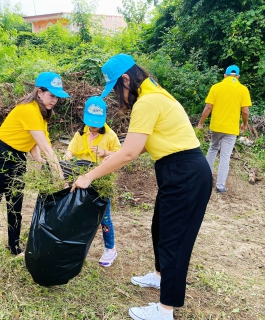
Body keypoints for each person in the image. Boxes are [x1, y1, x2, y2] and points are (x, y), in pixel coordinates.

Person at [70, 54, 212, 320]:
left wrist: (89, 176)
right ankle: (160, 277)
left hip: (185, 173)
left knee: (174, 241)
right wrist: (111, 155)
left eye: (115, 89)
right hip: (177, 172)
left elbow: (129, 153)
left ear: (126, 79)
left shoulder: (148, 101)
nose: (116, 96)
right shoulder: (154, 94)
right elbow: (143, 143)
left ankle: (165, 310)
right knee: (159, 228)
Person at [0, 72, 69, 272]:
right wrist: (59, 176)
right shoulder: (28, 110)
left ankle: (14, 245)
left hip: (18, 157)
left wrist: (37, 158)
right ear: (39, 92)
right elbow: (46, 146)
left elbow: (35, 140)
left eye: (57, 96)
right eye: (51, 95)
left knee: (15, 203)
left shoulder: (42, 113)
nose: (55, 100)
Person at [64, 96, 121, 267]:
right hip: (82, 180)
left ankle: (110, 249)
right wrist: (65, 159)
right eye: (91, 122)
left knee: (104, 216)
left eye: (97, 122)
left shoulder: (110, 135)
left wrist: (105, 152)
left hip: (101, 181)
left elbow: (122, 154)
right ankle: (75, 247)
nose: (93, 126)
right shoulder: (81, 133)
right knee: (78, 213)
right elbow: (70, 150)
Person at [197, 65, 252, 193]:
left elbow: (208, 107)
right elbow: (245, 111)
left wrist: (200, 123)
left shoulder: (216, 87)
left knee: (213, 148)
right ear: (238, 76)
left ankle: (205, 179)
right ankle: (220, 186)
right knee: (225, 156)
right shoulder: (243, 89)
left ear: (225, 75)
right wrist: (244, 124)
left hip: (216, 126)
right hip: (231, 129)